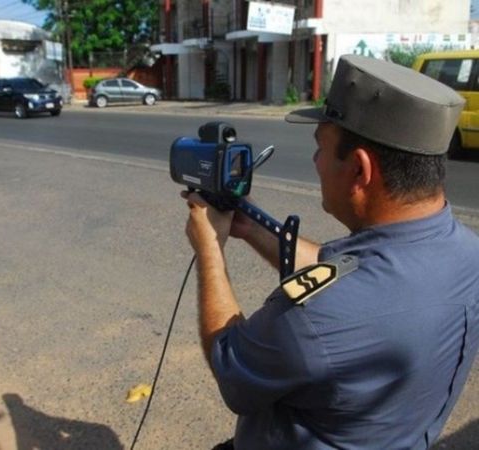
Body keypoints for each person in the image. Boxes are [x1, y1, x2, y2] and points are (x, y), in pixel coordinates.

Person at [182, 54, 479, 449]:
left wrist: (209, 251)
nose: (315, 161)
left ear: (359, 169)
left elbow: (232, 367)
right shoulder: (467, 254)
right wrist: (253, 229)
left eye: (320, 147)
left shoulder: (316, 318)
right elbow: (347, 273)